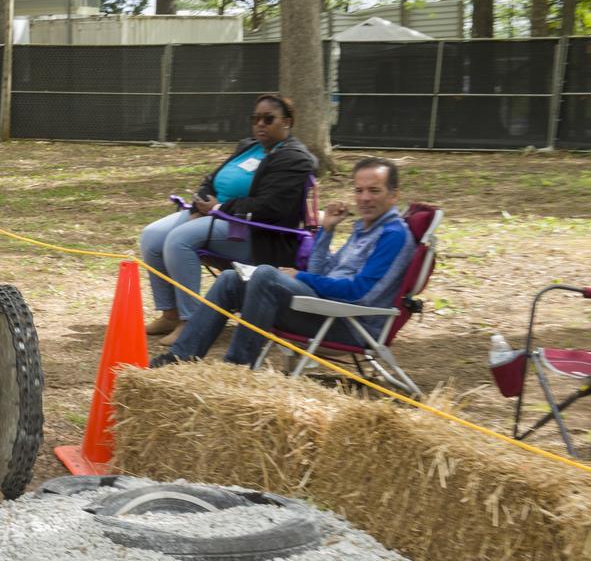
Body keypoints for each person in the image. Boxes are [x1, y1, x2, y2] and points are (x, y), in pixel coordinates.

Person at [149, 157, 414, 369]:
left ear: (393, 195)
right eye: (359, 190)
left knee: (265, 276)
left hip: (349, 325)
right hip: (325, 309)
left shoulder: (393, 235)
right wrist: (327, 232)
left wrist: (301, 278)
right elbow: (320, 271)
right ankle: (180, 357)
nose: (365, 198)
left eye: (374, 190)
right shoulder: (364, 228)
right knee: (232, 280)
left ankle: (236, 370)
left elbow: (360, 294)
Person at [139, 94, 317, 347]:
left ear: (287, 122)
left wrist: (219, 208)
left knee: (179, 239)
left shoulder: (294, 158)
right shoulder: (249, 146)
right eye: (255, 119)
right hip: (215, 216)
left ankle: (190, 322)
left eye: (268, 119)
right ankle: (170, 313)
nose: (260, 125)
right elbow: (212, 178)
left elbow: (269, 208)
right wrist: (201, 201)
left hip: (257, 233)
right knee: (152, 236)